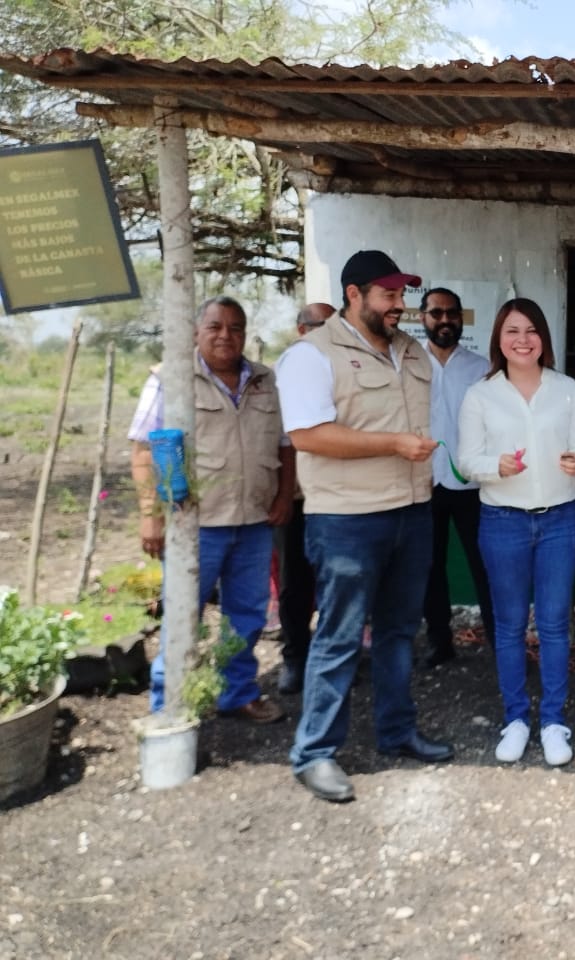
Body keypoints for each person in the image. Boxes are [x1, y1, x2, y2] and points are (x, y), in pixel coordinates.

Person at [276, 250, 455, 804]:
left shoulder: (411, 353)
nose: (399, 305)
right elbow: (308, 435)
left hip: (412, 509)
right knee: (338, 634)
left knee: (400, 631)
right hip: (347, 520)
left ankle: (396, 731)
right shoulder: (312, 355)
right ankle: (314, 752)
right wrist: (393, 445)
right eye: (389, 295)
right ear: (355, 294)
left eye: (402, 296)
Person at [128, 295, 292, 724]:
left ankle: (237, 693)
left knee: (248, 616)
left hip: (255, 522)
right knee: (183, 617)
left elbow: (284, 444)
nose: (226, 336)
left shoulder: (263, 380)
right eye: (215, 327)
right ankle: (169, 709)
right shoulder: (171, 379)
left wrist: (282, 496)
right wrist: (151, 515)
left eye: (235, 328)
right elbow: (144, 450)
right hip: (195, 525)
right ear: (197, 333)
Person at [456, 298, 575, 766]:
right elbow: (464, 462)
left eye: (531, 330)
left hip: (559, 518)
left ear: (544, 339)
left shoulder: (568, 390)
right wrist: (495, 466)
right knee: (510, 626)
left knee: (555, 625)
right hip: (503, 521)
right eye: (513, 330)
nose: (522, 339)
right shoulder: (481, 395)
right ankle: (515, 718)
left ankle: (554, 720)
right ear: (499, 338)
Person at [419, 286, 496, 668]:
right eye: (437, 313)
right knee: (429, 566)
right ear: (423, 318)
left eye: (452, 313)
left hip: (471, 484)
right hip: (424, 482)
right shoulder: (411, 364)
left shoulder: (480, 368)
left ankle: (500, 641)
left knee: (485, 564)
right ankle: (439, 641)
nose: (445, 320)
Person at [274, 302, 333, 695]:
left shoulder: (341, 369)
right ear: (301, 330)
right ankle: (294, 657)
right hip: (296, 496)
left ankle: (332, 660)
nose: (329, 335)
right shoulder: (288, 369)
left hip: (335, 496)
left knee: (335, 582)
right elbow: (284, 440)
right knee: (295, 582)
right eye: (321, 327)